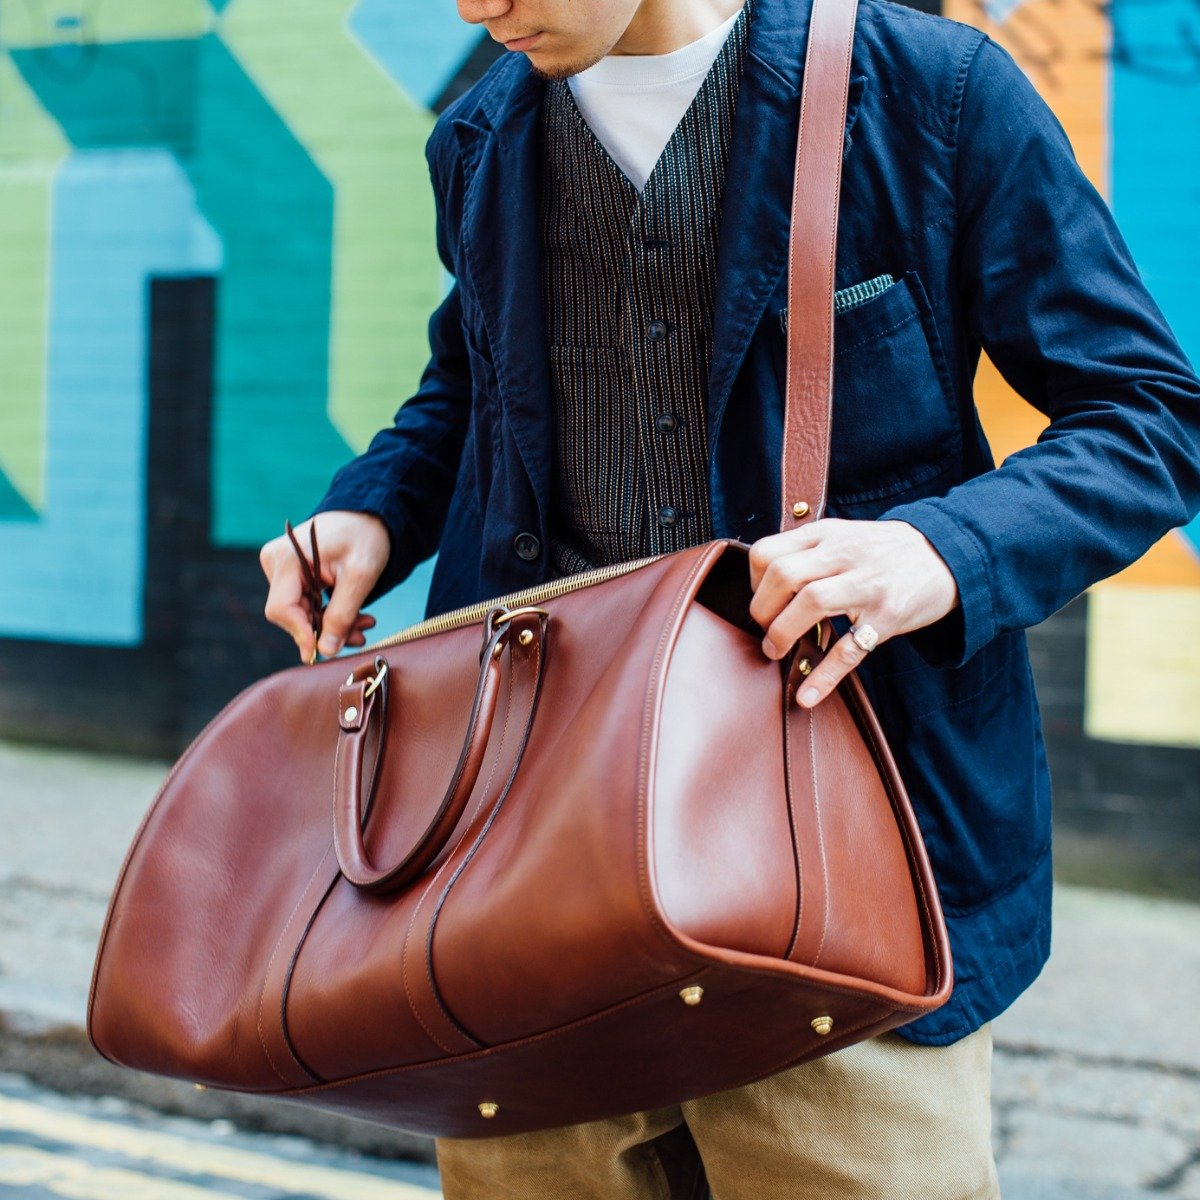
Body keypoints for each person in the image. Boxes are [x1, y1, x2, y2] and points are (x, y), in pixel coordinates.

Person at [259, 0, 1200, 1194]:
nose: (471, 5)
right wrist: (377, 506)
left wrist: (939, 550)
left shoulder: (936, 91)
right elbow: (471, 382)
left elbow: (1145, 420)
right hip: (526, 884)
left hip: (842, 899)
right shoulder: (480, 135)